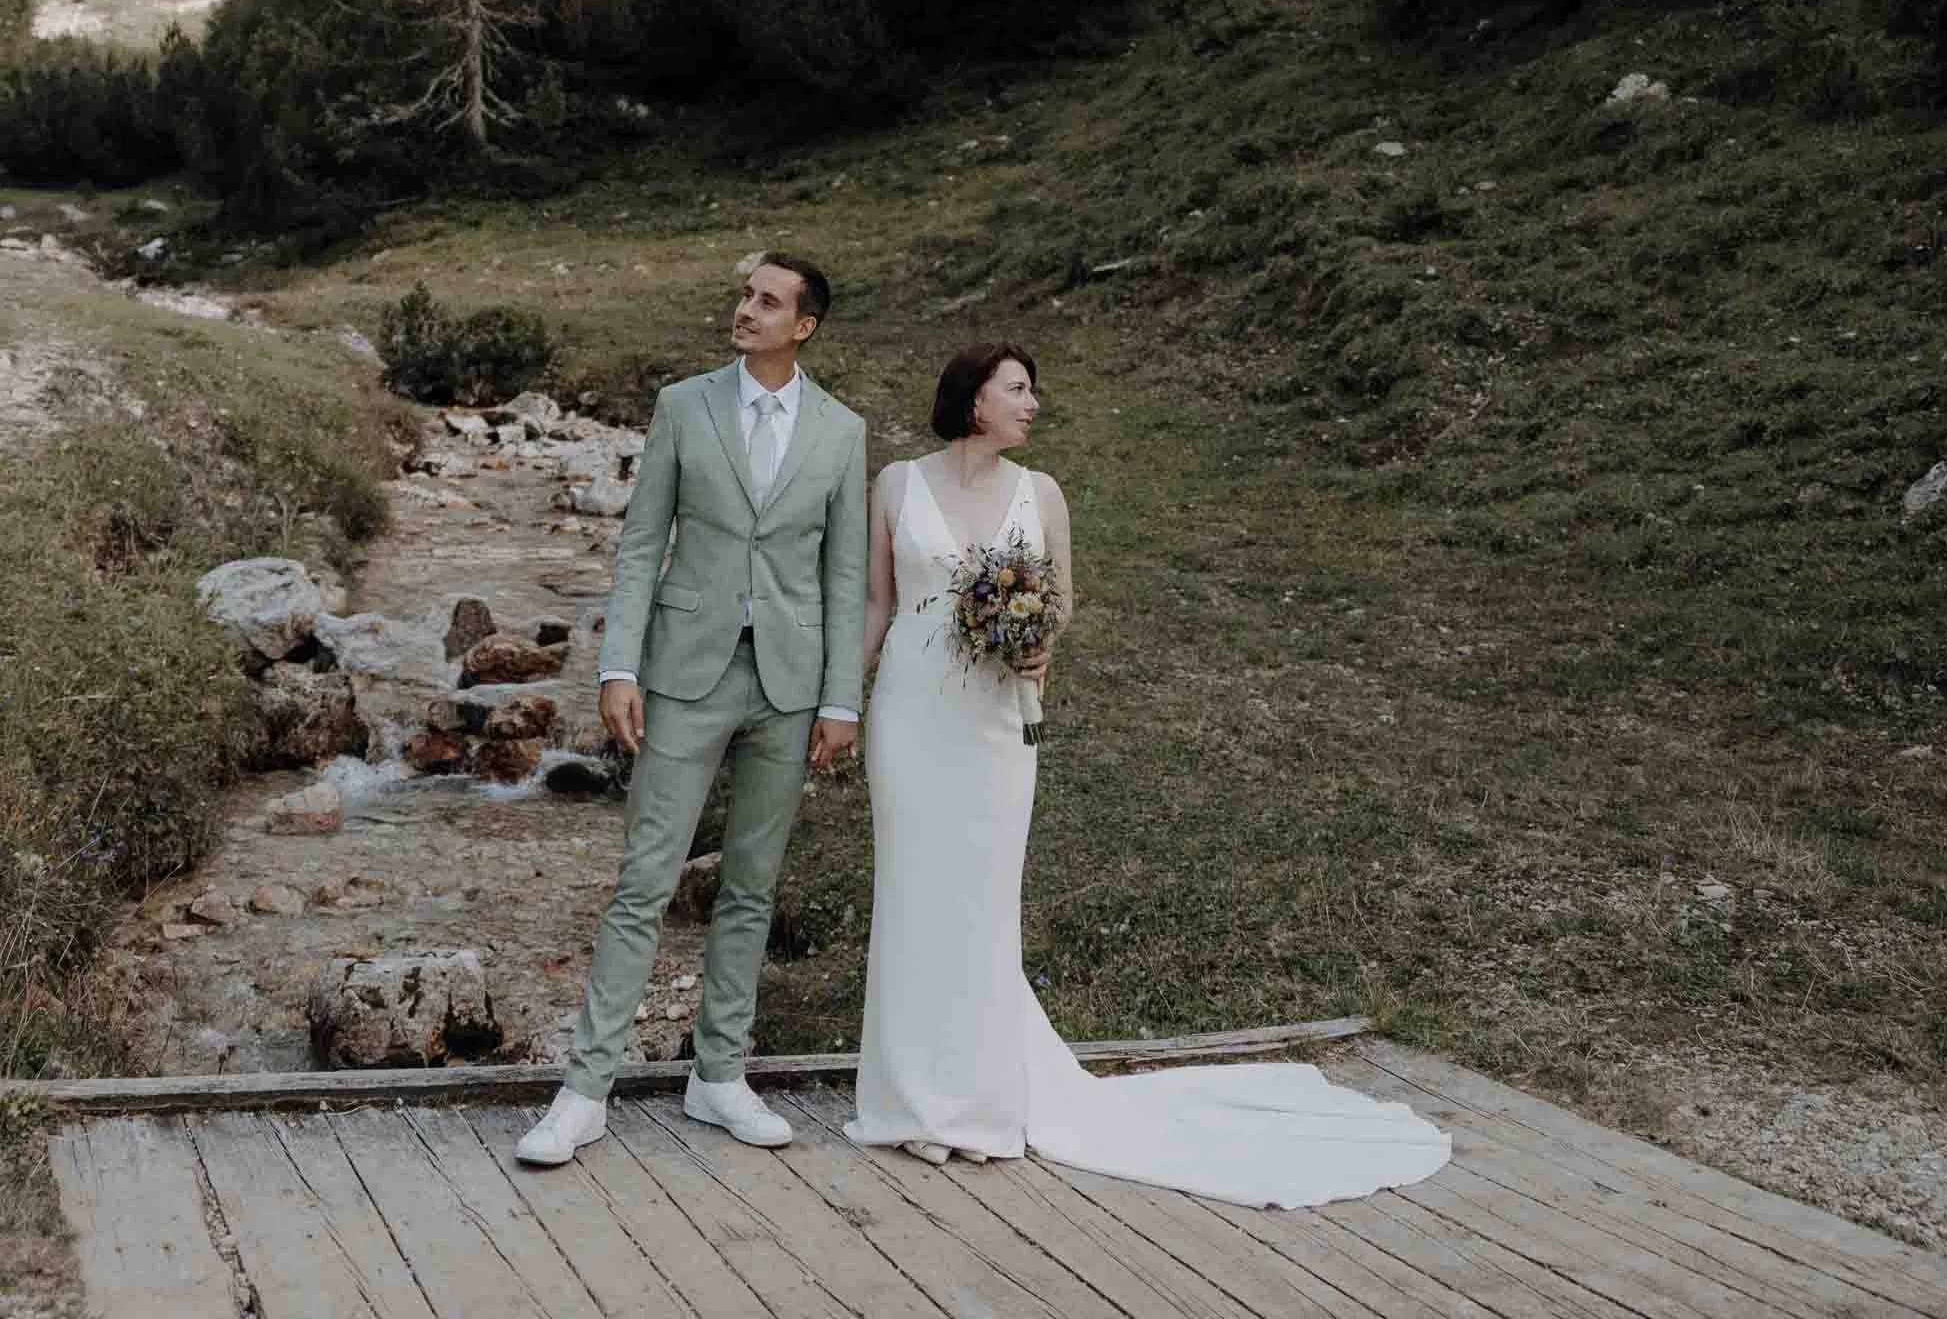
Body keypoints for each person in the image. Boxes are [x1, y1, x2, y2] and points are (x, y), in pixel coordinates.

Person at [844, 340, 1452, 1209]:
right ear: (973, 399)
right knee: (909, 892)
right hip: (909, 716)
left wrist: (1032, 644)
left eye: (1034, 390)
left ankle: (976, 1104)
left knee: (981, 899)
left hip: (990, 722)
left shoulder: (1040, 495)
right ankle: (905, 1101)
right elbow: (878, 603)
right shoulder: (898, 484)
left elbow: (1061, 603)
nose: (1035, 403)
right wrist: (840, 704)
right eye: (1019, 388)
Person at [516, 255, 866, 1167]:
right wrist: (619, 666)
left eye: (767, 301)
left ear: (805, 326)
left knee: (750, 887)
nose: (744, 309)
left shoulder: (841, 431)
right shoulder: (684, 405)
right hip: (684, 672)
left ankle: (719, 1078)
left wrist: (841, 697)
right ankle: (586, 1090)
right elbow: (640, 547)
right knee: (645, 879)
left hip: (789, 686)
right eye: (746, 294)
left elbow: (844, 576)